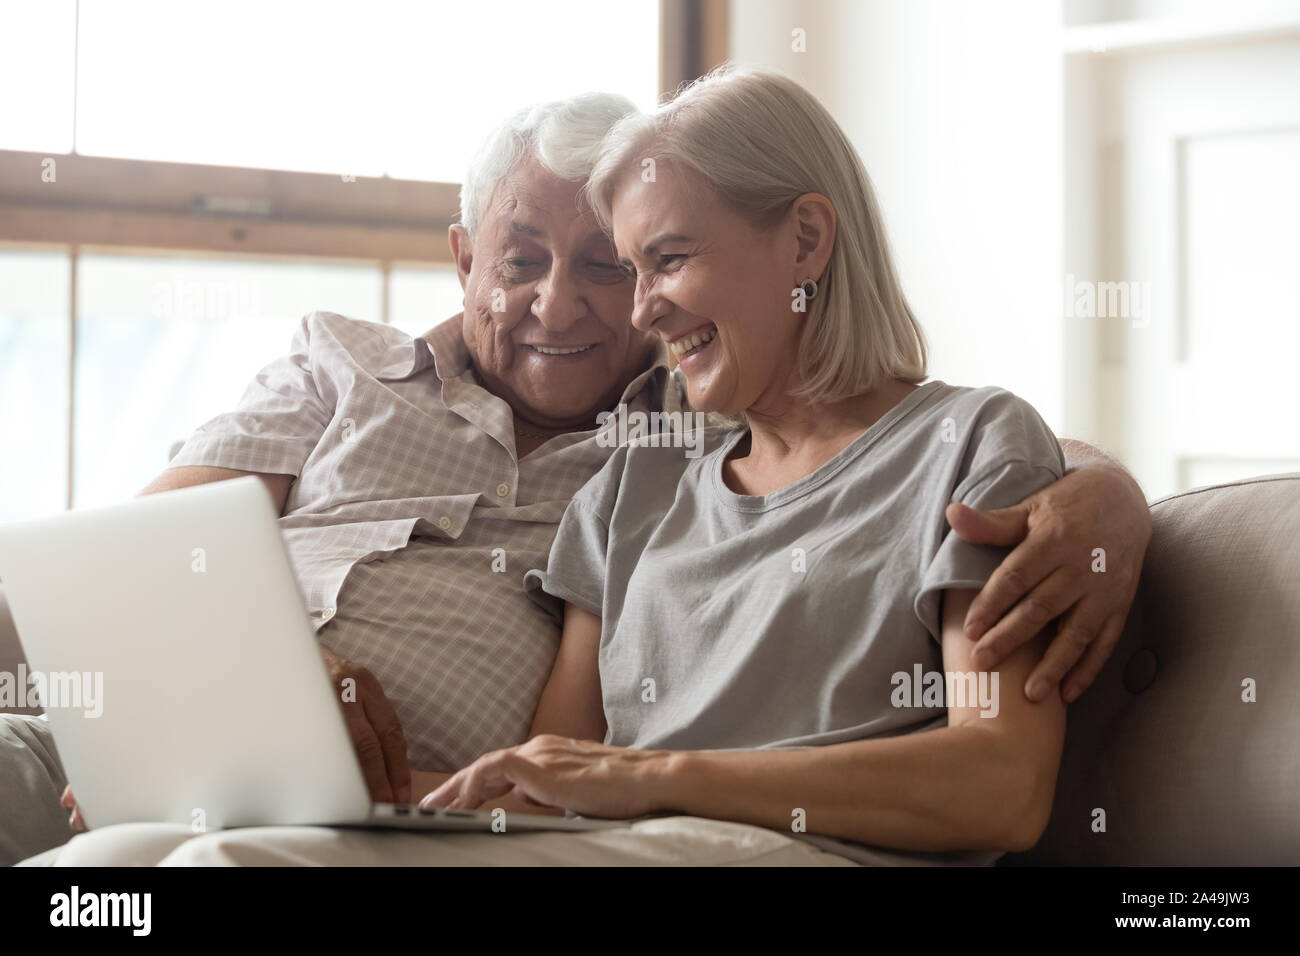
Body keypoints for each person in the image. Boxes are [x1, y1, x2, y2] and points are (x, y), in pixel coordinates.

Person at [15, 74, 1151, 866]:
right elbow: (549, 769)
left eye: (651, 261)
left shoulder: (954, 443)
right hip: (601, 838)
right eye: (537, 261)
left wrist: (1110, 498)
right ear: (467, 260)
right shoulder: (639, 481)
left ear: (804, 245)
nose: (627, 306)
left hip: (762, 844)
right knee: (121, 860)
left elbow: (1002, 788)